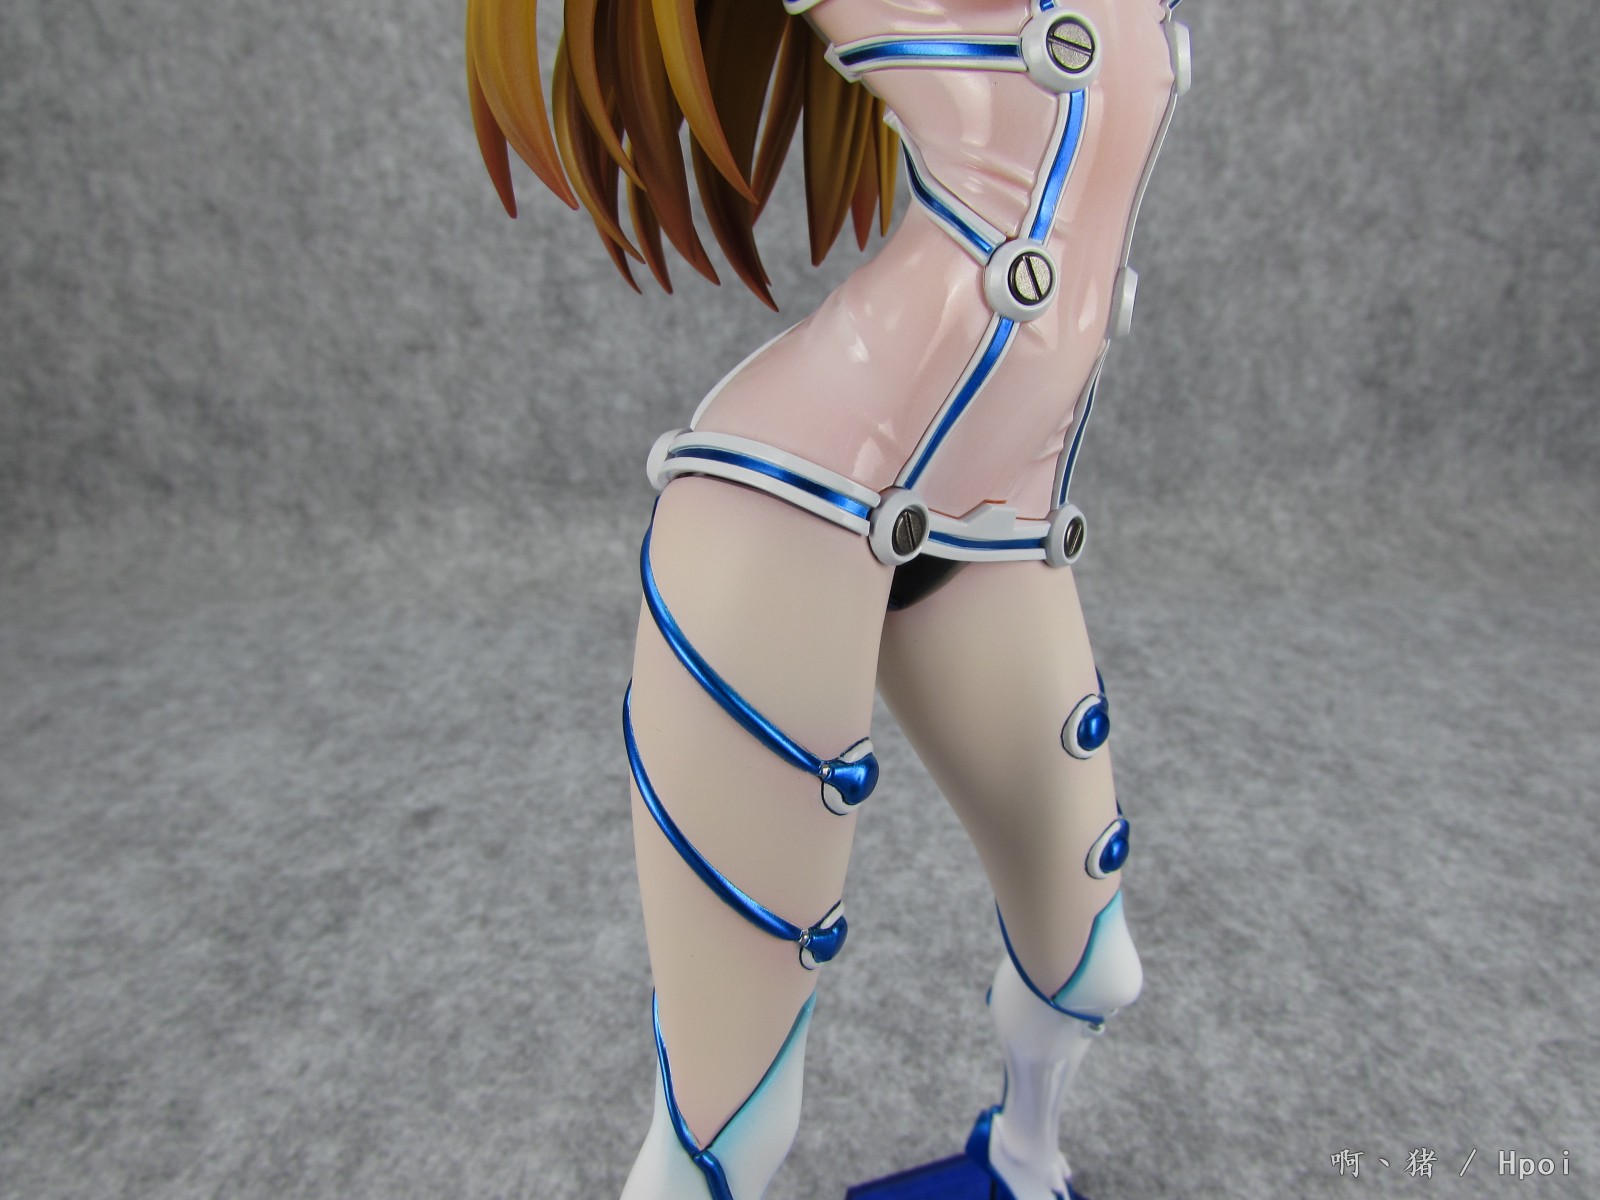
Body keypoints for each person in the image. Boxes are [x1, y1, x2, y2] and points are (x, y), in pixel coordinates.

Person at [465, 2, 1191, 1196]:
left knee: (1092, 961)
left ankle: (1025, 1162)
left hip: (992, 510)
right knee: (733, 1112)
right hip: (791, 501)